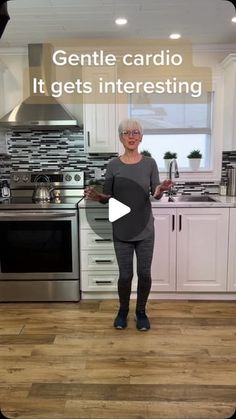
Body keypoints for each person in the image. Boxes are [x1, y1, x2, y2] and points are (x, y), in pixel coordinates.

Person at [84, 118, 173, 331]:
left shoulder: (149, 163)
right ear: (120, 138)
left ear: (141, 137)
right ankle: (123, 310)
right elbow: (109, 195)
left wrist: (161, 188)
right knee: (125, 275)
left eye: (135, 132)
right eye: (126, 133)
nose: (131, 136)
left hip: (145, 229)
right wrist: (98, 197)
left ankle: (141, 311)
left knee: (144, 273)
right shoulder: (113, 165)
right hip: (122, 229)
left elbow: (155, 194)